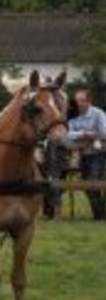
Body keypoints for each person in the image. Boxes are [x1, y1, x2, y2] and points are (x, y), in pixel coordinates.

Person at [67, 89, 106, 221]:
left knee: (93, 183)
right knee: (86, 185)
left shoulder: (98, 113)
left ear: (89, 101)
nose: (79, 103)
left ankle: (99, 217)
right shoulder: (72, 114)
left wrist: (91, 136)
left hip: (98, 153)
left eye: (82, 100)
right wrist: (84, 134)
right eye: (77, 100)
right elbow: (68, 134)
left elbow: (104, 133)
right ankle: (99, 215)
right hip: (82, 154)